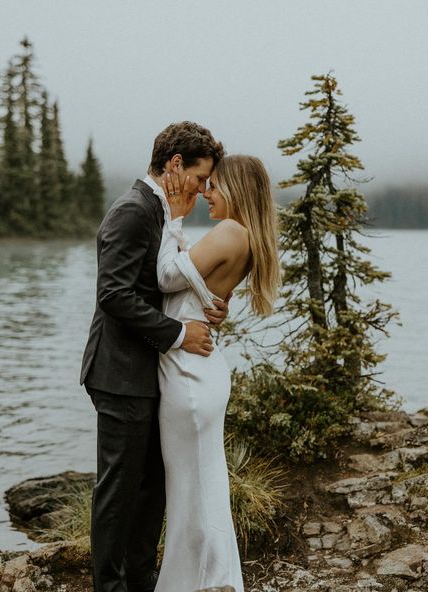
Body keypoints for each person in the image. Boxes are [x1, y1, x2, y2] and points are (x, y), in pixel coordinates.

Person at [80, 122, 227, 592]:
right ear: (175, 164)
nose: (204, 190)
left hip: (147, 373)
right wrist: (180, 333)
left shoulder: (162, 211)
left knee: (150, 490)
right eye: (201, 177)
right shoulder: (132, 210)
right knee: (118, 493)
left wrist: (206, 303)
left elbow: (164, 281)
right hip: (119, 372)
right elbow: (114, 295)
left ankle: (141, 581)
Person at [154, 155, 280, 591]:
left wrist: (173, 216)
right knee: (201, 485)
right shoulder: (245, 238)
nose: (206, 192)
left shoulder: (229, 231)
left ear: (237, 191)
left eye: (215, 186)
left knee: (193, 491)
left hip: (188, 373)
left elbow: (167, 276)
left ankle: (205, 583)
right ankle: (210, 579)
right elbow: (195, 288)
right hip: (199, 368)